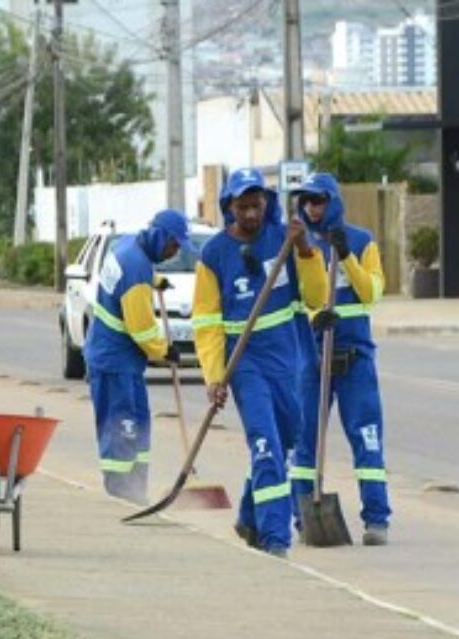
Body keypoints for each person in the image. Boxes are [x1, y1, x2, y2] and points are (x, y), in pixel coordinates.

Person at [191, 168, 328, 557]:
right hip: (244, 363)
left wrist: (304, 251)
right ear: (229, 207)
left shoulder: (286, 239)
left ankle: (249, 516)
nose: (250, 214)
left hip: (286, 360)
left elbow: (317, 296)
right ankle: (275, 539)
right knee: (265, 444)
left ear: (265, 203)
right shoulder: (214, 255)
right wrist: (215, 377)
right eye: (242, 207)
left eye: (256, 205)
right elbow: (206, 324)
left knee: (284, 438)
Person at [287, 172, 392, 546]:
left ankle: (376, 519)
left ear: (333, 201)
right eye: (307, 201)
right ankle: (303, 517)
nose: (312, 207)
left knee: (367, 436)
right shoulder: (299, 243)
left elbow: (371, 294)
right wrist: (316, 317)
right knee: (305, 442)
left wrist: (345, 254)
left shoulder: (362, 241)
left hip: (355, 358)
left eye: (319, 200)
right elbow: (293, 298)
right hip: (312, 358)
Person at [85, 209, 196, 504]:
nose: (174, 253)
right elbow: (142, 329)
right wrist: (165, 351)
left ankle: (136, 490)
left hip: (120, 361)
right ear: (160, 237)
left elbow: (131, 276)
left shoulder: (130, 245)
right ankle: (120, 493)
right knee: (123, 427)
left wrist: (155, 280)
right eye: (173, 246)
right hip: (114, 361)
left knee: (138, 423)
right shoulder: (136, 269)